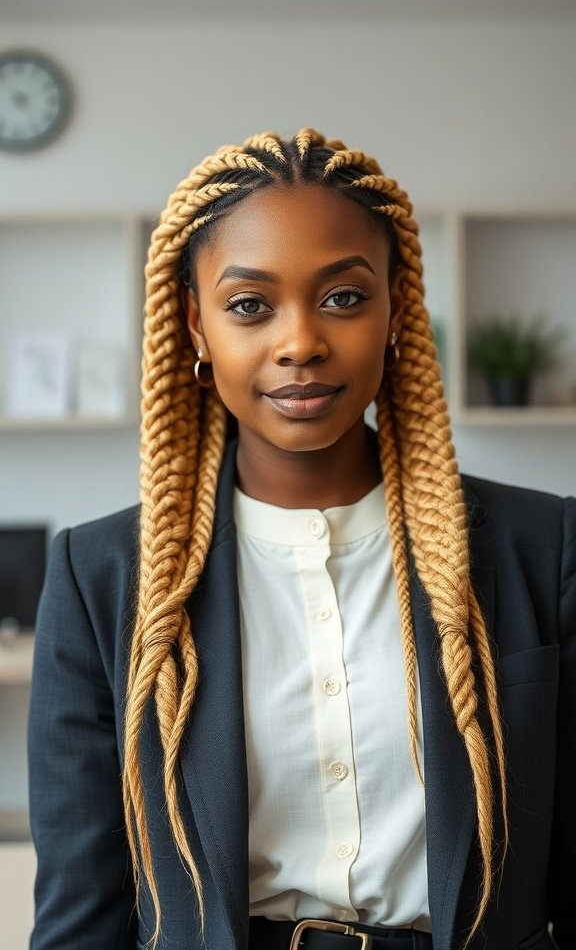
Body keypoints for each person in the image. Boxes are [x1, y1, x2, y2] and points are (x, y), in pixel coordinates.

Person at [28, 128, 575, 950]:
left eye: (345, 297)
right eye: (249, 305)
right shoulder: (101, 574)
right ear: (196, 328)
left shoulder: (544, 545)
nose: (300, 343)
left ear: (398, 307)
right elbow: (81, 906)